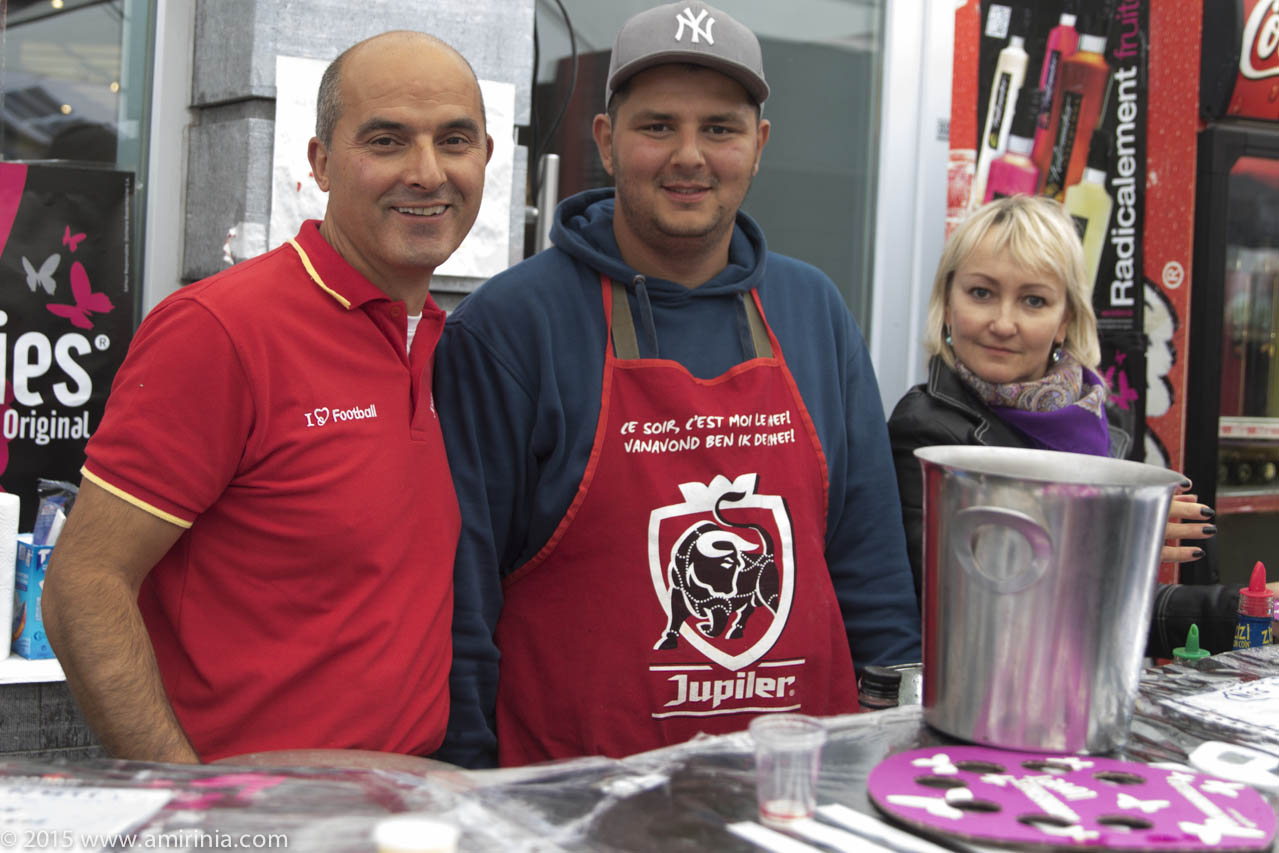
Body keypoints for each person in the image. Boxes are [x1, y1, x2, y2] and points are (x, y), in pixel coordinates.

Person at [433, 1, 920, 769]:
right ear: (606, 141)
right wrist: (466, 785)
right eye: (657, 126)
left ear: (758, 146)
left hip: (791, 791)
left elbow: (869, 564)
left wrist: (891, 746)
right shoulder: (511, 326)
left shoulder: (813, 310)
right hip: (572, 798)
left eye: (719, 129)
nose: (689, 156)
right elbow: (462, 595)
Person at [41, 30, 493, 763]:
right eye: (385, 141)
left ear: (486, 158)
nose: (426, 172)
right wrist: (190, 804)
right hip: (249, 808)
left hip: (399, 798)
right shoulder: (220, 330)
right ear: (320, 162)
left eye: (454, 140)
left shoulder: (442, 342)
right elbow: (82, 586)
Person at [887, 194, 1263, 657]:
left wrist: (1248, 612)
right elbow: (962, 602)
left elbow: (1112, 611)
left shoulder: (1104, 425)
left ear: (1065, 319)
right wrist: (1105, 535)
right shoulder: (924, 430)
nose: (1003, 323)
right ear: (947, 303)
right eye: (981, 293)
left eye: (1033, 300)